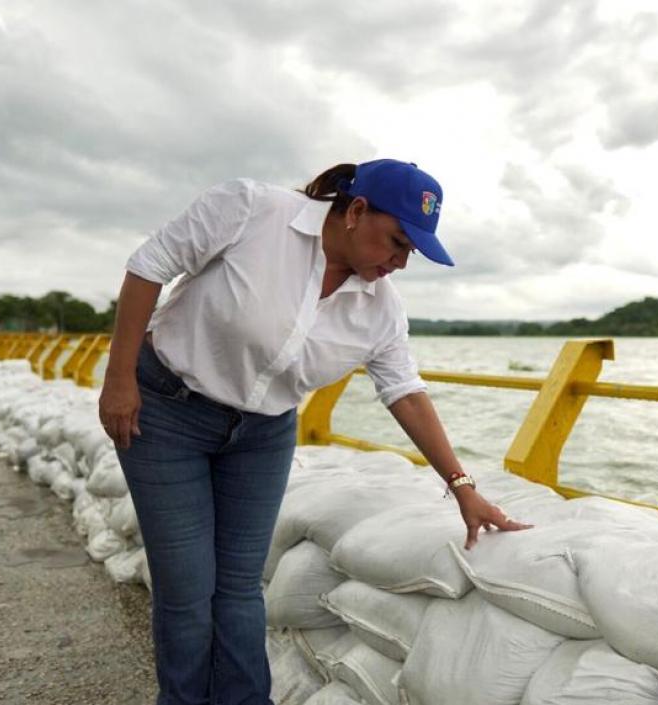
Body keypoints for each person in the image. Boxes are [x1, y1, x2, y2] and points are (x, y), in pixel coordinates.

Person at [98, 160, 530, 704]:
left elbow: (405, 392)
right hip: (166, 411)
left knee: (236, 590)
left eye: (409, 254)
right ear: (355, 211)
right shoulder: (250, 209)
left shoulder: (381, 309)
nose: (398, 262)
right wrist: (119, 380)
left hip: (261, 435)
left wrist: (464, 487)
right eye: (396, 241)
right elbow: (148, 267)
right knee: (187, 589)